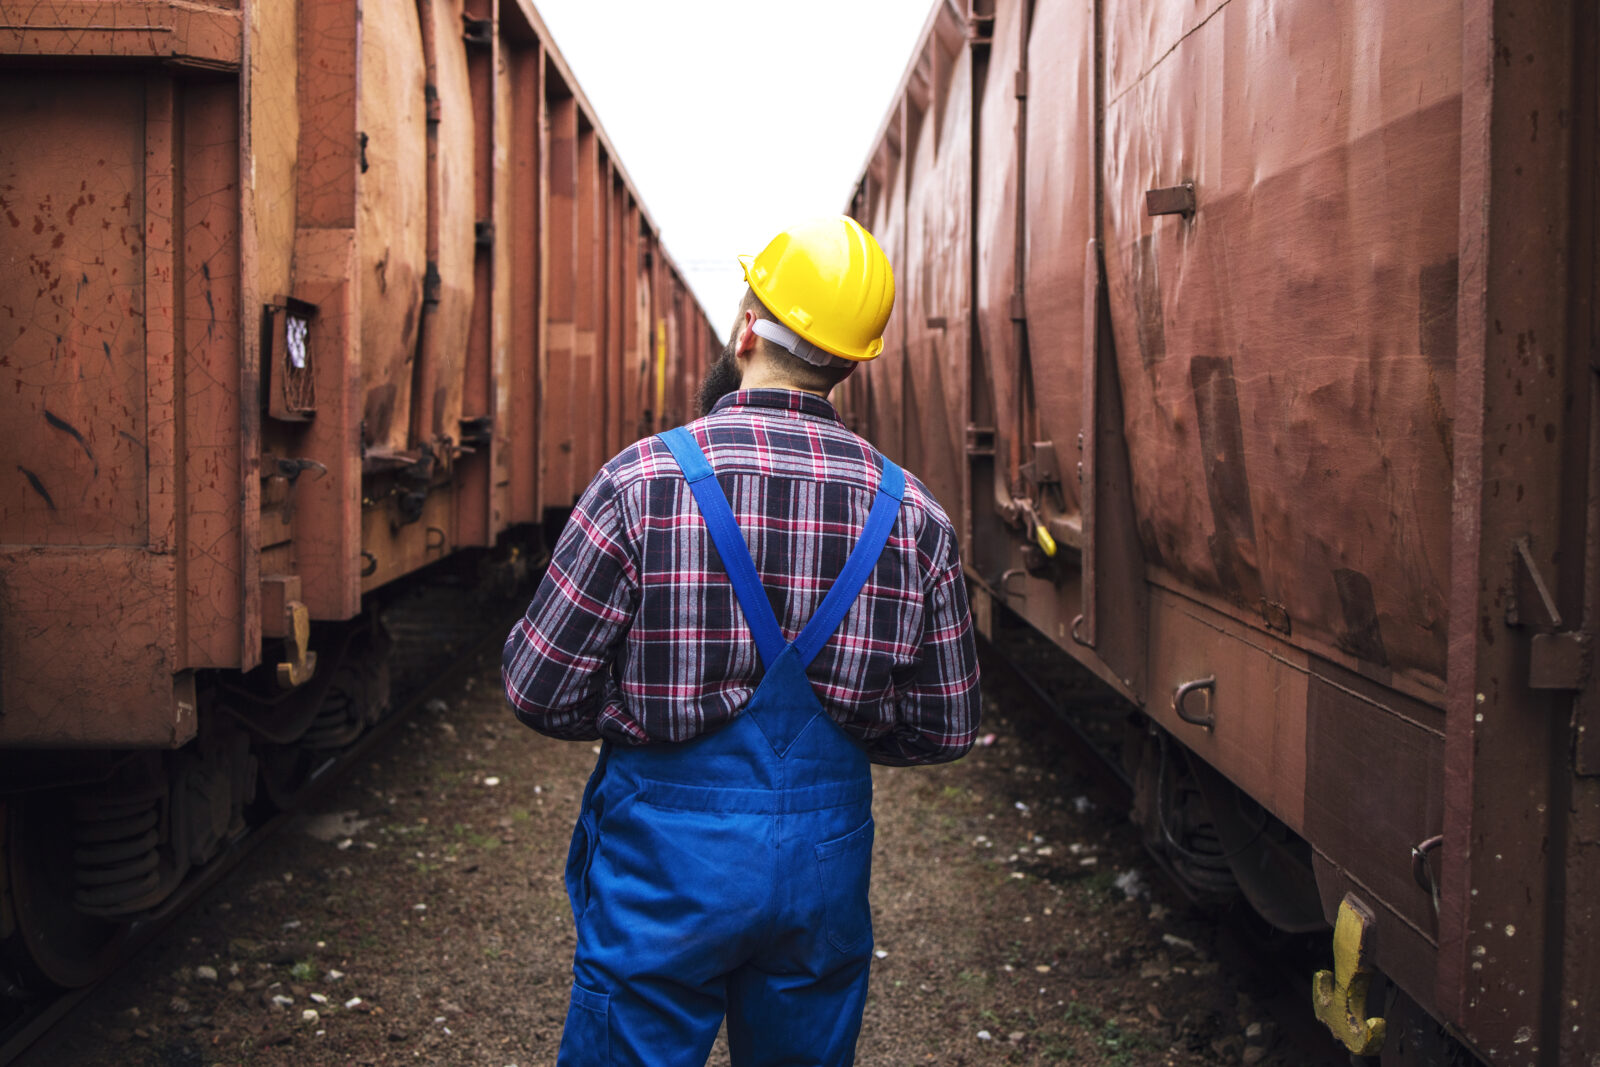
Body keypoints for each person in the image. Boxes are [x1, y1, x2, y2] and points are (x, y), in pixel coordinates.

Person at [503, 215, 981, 1066]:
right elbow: (944, 727)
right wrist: (839, 730)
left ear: (748, 325)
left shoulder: (641, 481)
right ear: (850, 360)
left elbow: (538, 687)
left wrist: (649, 720)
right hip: (823, 863)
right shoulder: (913, 515)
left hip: (662, 857)